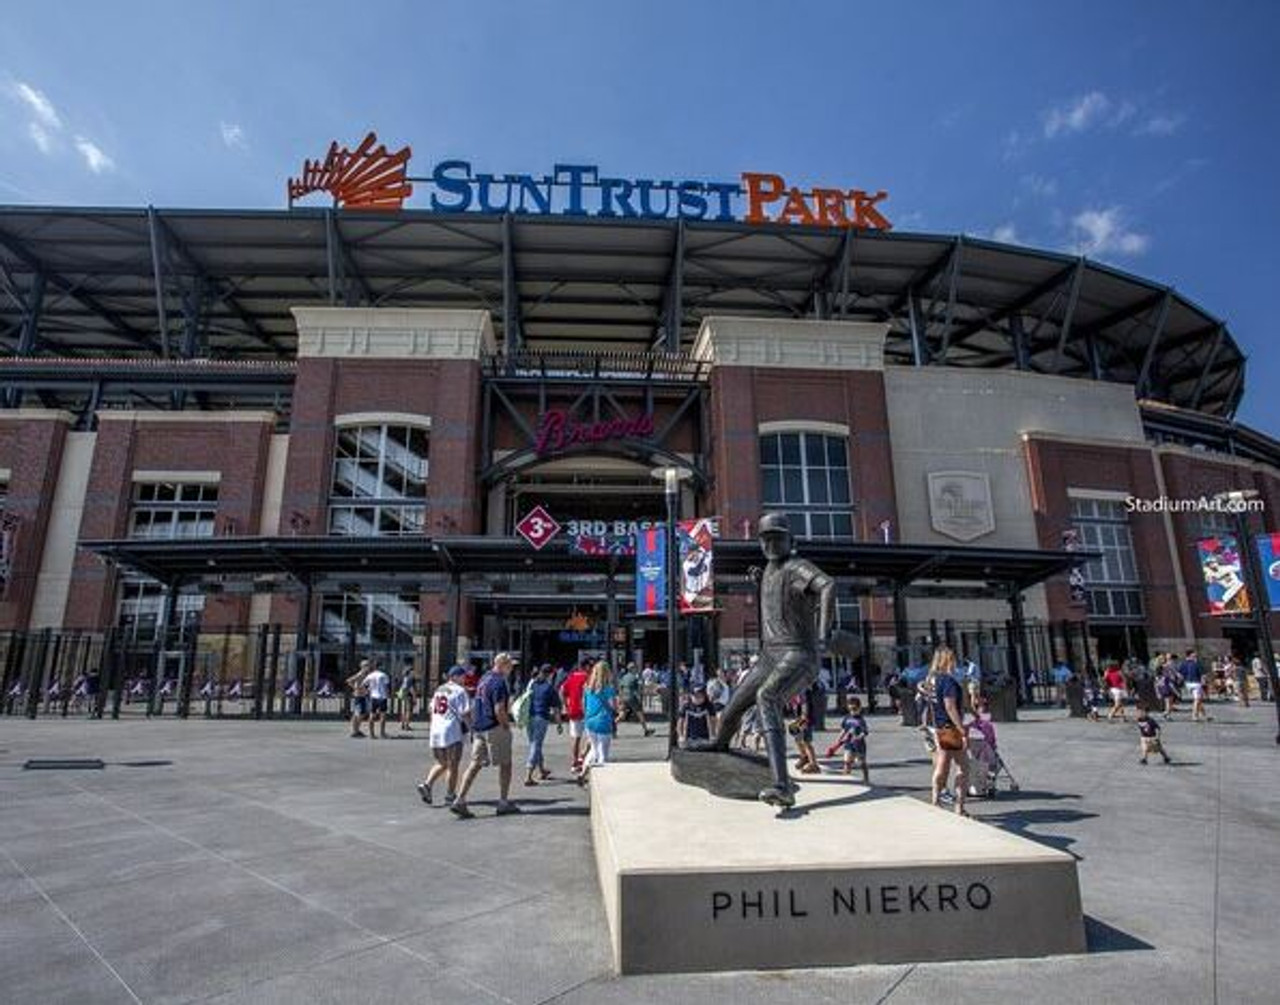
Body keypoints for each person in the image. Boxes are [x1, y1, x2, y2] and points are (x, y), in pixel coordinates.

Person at [689, 513, 836, 808]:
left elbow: (828, 585)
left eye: (776, 538)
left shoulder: (797, 567)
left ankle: (782, 785)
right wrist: (759, 582)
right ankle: (720, 742)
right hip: (770, 655)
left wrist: (823, 634)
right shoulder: (769, 570)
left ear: (790, 541)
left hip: (798, 652)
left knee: (766, 697)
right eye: (765, 539)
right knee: (733, 707)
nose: (770, 544)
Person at [451, 652, 519, 819]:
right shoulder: (499, 682)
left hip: (480, 726)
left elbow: (476, 703)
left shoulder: (484, 678)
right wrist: (506, 725)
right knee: (506, 763)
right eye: (510, 665)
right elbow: (499, 709)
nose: (511, 669)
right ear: (503, 664)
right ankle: (503, 802)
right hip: (494, 726)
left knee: (475, 764)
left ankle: (460, 799)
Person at [418, 666, 471, 805]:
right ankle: (450, 794)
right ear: (454, 677)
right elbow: (465, 713)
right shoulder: (460, 691)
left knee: (442, 763)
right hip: (451, 729)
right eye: (462, 676)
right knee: (453, 764)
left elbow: (431, 709)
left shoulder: (439, 689)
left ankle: (427, 785)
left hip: (436, 728)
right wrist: (472, 729)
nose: (464, 678)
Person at [928, 647, 970, 816]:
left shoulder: (931, 680)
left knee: (941, 765)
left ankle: (935, 799)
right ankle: (959, 807)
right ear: (946, 660)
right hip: (950, 728)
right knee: (963, 767)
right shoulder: (947, 681)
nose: (955, 662)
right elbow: (950, 706)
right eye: (952, 659)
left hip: (938, 726)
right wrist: (962, 729)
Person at [579, 660, 618, 784]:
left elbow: (583, 704)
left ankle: (583, 772)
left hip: (589, 721)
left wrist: (587, 716)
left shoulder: (587, 687)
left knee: (594, 749)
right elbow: (613, 706)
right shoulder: (608, 689)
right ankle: (600, 780)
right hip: (603, 720)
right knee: (602, 752)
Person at [524, 663, 562, 786]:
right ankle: (528, 775)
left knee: (535, 744)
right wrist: (559, 723)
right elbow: (556, 708)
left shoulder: (532, 684)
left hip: (529, 717)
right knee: (536, 744)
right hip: (541, 718)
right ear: (550, 674)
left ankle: (541, 770)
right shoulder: (549, 688)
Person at [559, 659, 591, 774]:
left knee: (576, 738)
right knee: (591, 738)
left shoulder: (571, 677)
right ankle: (583, 756)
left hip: (573, 711)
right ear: (586, 667)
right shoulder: (588, 677)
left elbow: (562, 690)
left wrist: (566, 705)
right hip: (587, 711)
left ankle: (575, 761)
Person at [828, 696, 869, 782]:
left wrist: (858, 737)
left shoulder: (861, 720)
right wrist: (839, 739)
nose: (852, 711)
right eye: (850, 709)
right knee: (847, 762)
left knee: (861, 762)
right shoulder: (847, 718)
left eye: (854, 709)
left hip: (859, 745)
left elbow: (865, 732)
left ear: (859, 708)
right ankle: (846, 777)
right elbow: (844, 729)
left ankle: (866, 778)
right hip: (848, 744)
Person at [616, 662, 654, 737]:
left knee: (622, 715)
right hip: (632, 697)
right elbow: (639, 689)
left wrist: (620, 698)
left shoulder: (624, 677)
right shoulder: (634, 677)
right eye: (635, 668)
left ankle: (613, 727)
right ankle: (646, 730)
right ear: (632, 669)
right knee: (640, 713)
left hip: (624, 696)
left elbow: (620, 688)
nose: (636, 669)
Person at [362, 659, 391, 739]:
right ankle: (382, 733)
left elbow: (364, 684)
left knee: (372, 715)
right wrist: (388, 694)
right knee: (383, 715)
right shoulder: (384, 675)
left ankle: (372, 734)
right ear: (380, 666)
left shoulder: (370, 675)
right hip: (382, 697)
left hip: (373, 697)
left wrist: (367, 691)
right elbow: (387, 686)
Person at [1179, 648, 1207, 722]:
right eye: (1194, 654)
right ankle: (1194, 715)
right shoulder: (1197, 663)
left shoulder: (1183, 663)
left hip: (1188, 684)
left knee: (1199, 700)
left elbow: (1179, 674)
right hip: (1196, 683)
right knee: (1197, 700)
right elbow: (1203, 674)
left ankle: (1204, 716)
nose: (1195, 655)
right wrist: (1203, 682)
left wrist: (1183, 680)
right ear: (1190, 655)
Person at [345, 661, 371, 738]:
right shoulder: (361, 674)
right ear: (362, 666)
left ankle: (357, 730)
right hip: (359, 696)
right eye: (366, 665)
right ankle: (355, 731)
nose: (368, 667)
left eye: (368, 665)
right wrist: (356, 688)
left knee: (361, 713)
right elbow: (349, 680)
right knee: (358, 714)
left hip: (362, 696)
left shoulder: (365, 674)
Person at [397, 666, 416, 731]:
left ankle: (402, 724)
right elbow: (411, 688)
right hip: (409, 696)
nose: (413, 672)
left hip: (403, 695)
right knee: (408, 711)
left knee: (403, 711)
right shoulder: (411, 678)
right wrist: (414, 697)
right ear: (409, 671)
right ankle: (406, 725)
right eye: (412, 670)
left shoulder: (403, 678)